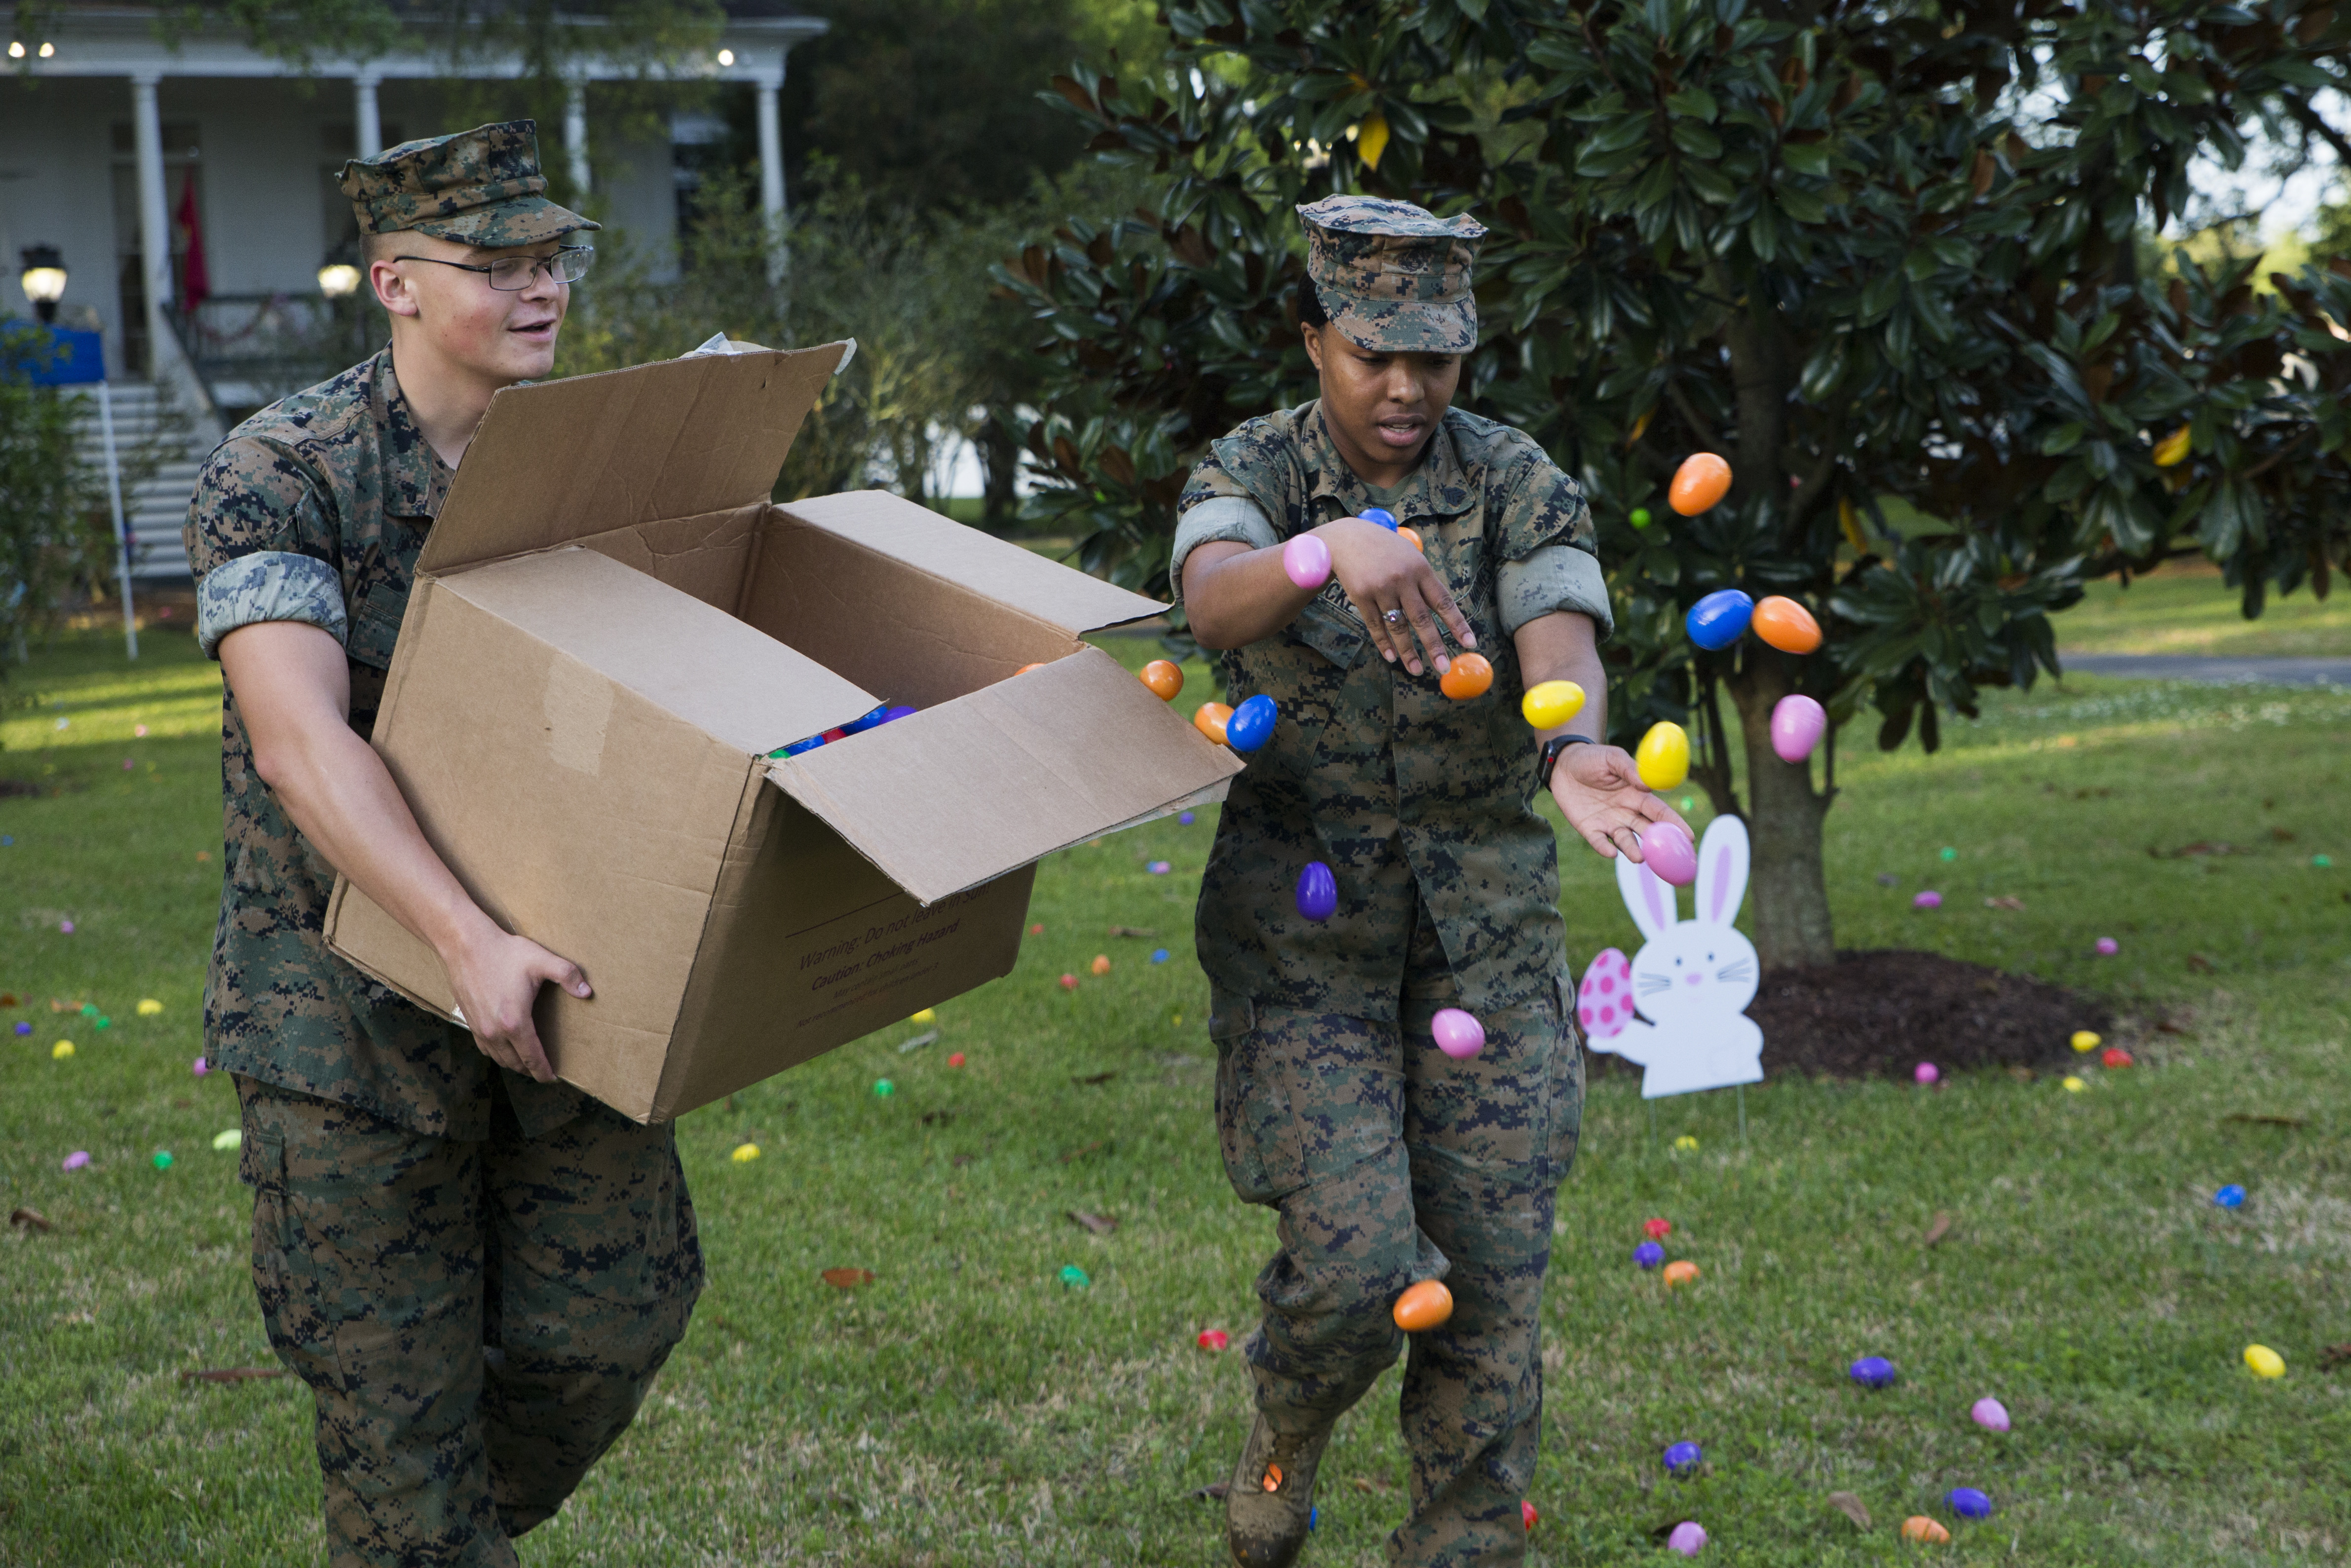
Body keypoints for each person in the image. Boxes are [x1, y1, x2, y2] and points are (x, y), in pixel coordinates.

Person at [183, 121, 702, 1566]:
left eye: (551, 259)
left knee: (614, 1325)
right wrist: (463, 940)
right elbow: (297, 741)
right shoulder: (280, 470)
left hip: (561, 991)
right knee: (400, 1441)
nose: (540, 289)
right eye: (497, 264)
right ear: (396, 282)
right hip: (347, 1033)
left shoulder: (591, 462)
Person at [1173, 195, 1685, 1568]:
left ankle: (1463, 1541)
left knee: (1489, 1286)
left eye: (1436, 357)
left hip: (1483, 944)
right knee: (1354, 1267)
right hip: (1300, 942)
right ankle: (1284, 1434)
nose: (1404, 387)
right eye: (1371, 352)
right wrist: (1320, 548)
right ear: (1313, 341)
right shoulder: (1254, 469)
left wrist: (1572, 742)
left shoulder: (1514, 475)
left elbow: (1552, 617)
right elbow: (1209, 594)